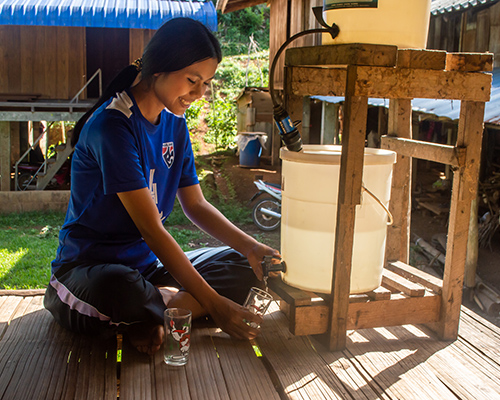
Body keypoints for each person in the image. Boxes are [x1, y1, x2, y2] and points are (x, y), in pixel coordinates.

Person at [44, 17, 280, 356]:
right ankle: (164, 307)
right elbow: (151, 230)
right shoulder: (113, 126)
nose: (200, 93)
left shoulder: (174, 123)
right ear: (160, 69)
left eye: (206, 83)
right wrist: (214, 305)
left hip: (148, 270)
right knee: (122, 291)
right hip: (88, 272)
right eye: (192, 81)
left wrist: (251, 247)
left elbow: (195, 206)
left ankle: (160, 310)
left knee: (248, 267)